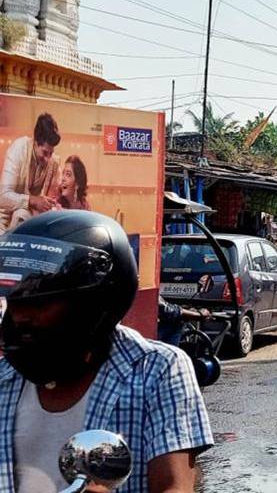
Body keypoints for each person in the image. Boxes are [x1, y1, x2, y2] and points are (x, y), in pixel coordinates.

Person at [0, 210, 212, 491]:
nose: (20, 318)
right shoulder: (4, 377)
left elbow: (175, 486)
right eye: (15, 303)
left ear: (91, 305)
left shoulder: (158, 371)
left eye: (39, 304)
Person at [0, 113, 62, 232]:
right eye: (45, 153)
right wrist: (32, 200)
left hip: (31, 224)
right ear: (35, 142)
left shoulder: (54, 162)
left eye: (51, 153)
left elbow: (51, 200)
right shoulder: (19, 149)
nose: (48, 158)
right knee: (22, 214)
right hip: (3, 224)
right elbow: (3, 196)